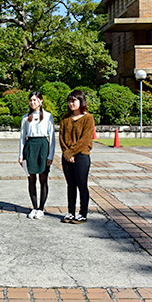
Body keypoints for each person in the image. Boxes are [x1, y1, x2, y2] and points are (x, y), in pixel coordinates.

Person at [59, 90, 95, 224]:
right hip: (67, 156)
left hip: (81, 156)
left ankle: (83, 213)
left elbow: (85, 140)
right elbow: (61, 138)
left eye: (74, 101)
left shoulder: (88, 118)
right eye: (69, 101)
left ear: (81, 101)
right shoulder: (65, 118)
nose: (71, 103)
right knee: (70, 185)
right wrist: (67, 153)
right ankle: (71, 211)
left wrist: (71, 153)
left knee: (82, 184)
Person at [18, 91, 55, 220]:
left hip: (43, 146)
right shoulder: (25, 118)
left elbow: (52, 137)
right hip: (30, 146)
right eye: (31, 100)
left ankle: (41, 208)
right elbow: (22, 137)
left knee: (43, 179)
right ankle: (34, 207)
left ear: (41, 101)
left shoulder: (48, 116)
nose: (33, 102)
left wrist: (50, 155)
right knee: (31, 179)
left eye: (35, 100)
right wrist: (20, 155)